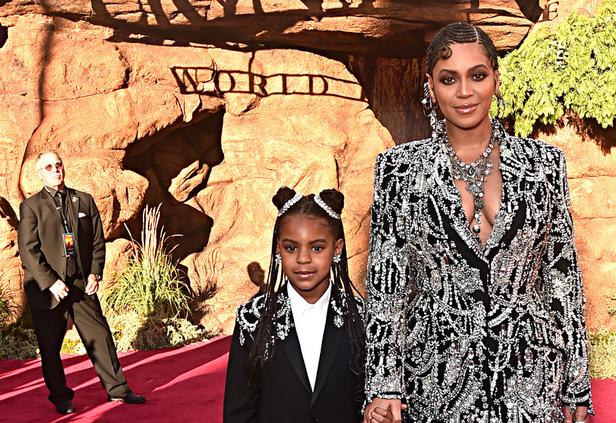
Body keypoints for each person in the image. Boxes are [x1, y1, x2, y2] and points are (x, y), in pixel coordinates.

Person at [363, 23, 593, 423]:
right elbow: (387, 286)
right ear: (431, 87)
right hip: (435, 377)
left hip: (530, 376)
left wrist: (577, 384)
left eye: (478, 75)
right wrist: (384, 385)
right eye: (449, 79)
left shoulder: (544, 164)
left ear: (496, 80)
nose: (465, 92)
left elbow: (562, 278)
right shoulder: (398, 170)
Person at [223, 187, 394, 423]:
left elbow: (370, 394)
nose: (303, 259)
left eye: (317, 248)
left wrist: (374, 413)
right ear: (278, 249)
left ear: (337, 249)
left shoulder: (361, 317)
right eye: (291, 248)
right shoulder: (253, 319)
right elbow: (239, 411)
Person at [18, 151, 145, 415]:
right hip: (49, 290)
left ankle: (118, 390)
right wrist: (51, 282)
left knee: (100, 336)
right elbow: (29, 250)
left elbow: (97, 241)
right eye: (49, 167)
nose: (56, 170)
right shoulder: (31, 207)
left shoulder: (83, 200)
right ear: (40, 174)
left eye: (58, 165)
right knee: (50, 348)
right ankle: (61, 398)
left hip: (80, 285)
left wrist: (95, 273)